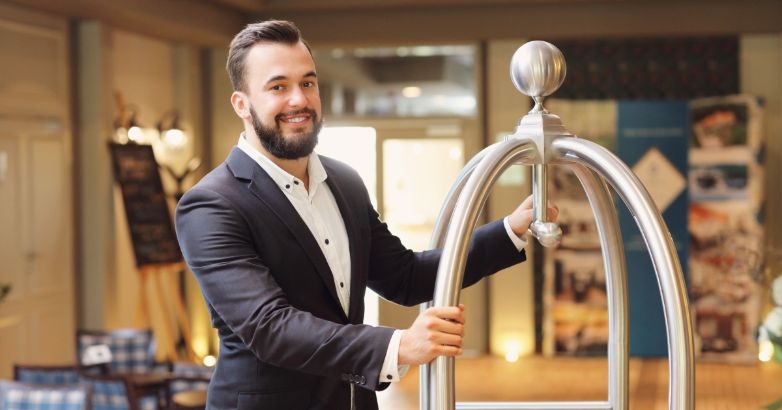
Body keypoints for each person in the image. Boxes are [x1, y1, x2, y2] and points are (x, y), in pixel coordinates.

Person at [175, 19, 558, 410]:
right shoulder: (211, 204)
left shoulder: (343, 180)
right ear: (242, 104)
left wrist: (510, 230)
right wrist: (399, 345)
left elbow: (405, 277)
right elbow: (269, 327)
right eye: (278, 87)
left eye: (308, 83)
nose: (299, 100)